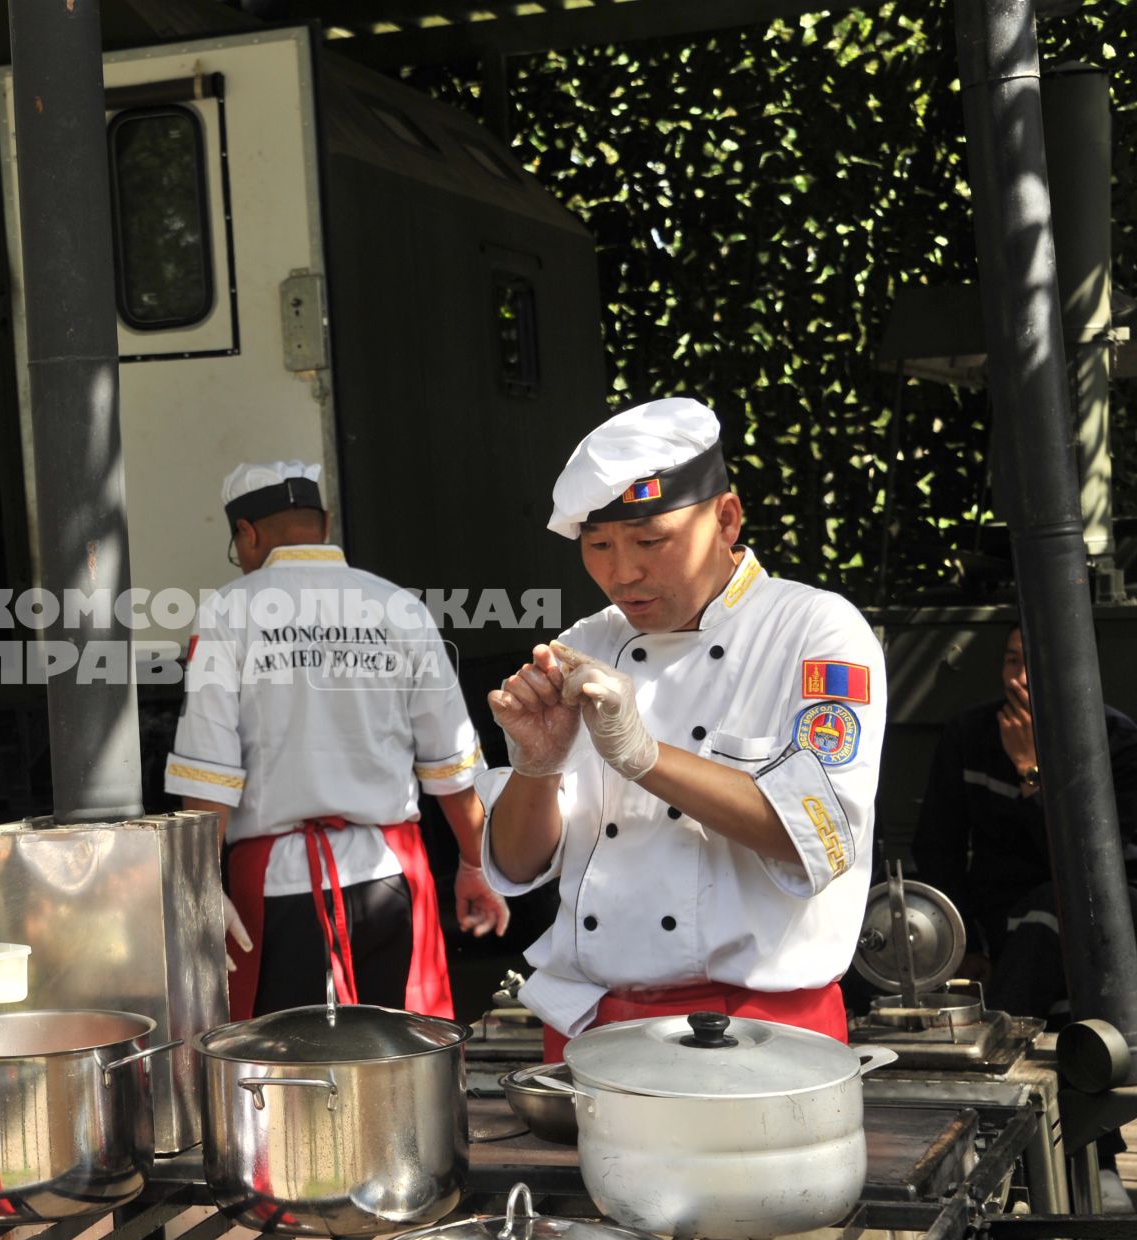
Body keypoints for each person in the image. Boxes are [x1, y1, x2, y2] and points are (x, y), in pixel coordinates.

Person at [482, 398, 885, 1061]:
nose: (622, 573)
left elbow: (815, 830)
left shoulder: (815, 632)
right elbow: (519, 864)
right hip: (594, 1026)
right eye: (598, 545)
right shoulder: (587, 644)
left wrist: (641, 755)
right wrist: (536, 763)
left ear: (725, 518)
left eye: (650, 540)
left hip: (759, 1032)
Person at [164, 460, 506, 1021]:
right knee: (400, 1065)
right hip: (391, 876)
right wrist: (475, 864)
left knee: (284, 1077)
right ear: (324, 523)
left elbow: (210, 768)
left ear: (246, 534)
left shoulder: (228, 613)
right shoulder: (401, 607)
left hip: (278, 891)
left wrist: (199, 887)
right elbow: (450, 759)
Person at [910, 623, 1137, 1018]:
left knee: (1049, 907)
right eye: (1012, 660)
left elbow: (1093, 871)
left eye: (1033, 663)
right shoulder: (969, 736)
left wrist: (1031, 773)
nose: (1019, 678)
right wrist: (964, 945)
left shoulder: (1118, 742)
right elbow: (937, 848)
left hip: (1090, 919)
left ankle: (1002, 1037)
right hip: (995, 917)